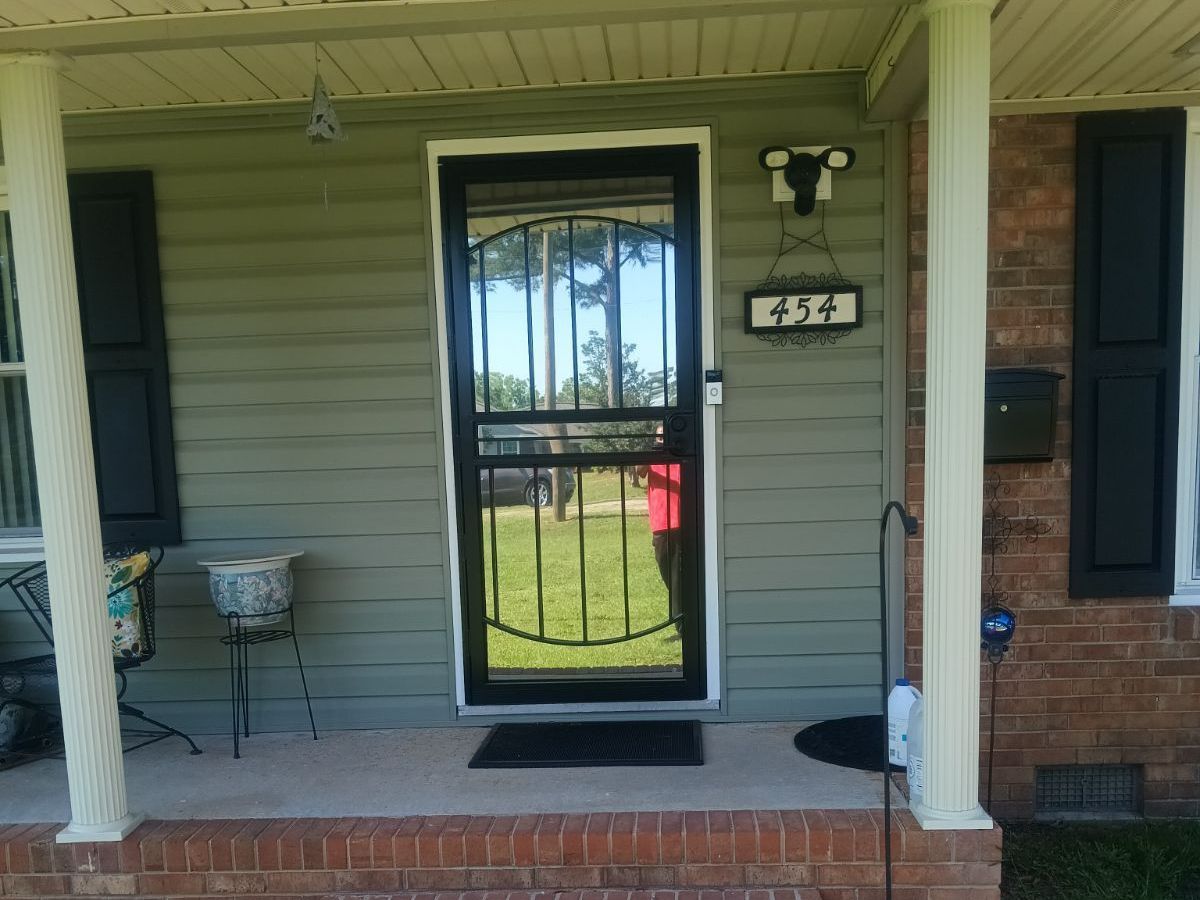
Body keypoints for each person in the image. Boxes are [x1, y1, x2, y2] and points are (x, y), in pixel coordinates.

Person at [637, 426, 683, 640]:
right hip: (660, 523)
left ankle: (682, 624)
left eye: (666, 435)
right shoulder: (652, 457)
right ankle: (682, 616)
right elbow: (639, 471)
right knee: (666, 569)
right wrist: (652, 452)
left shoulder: (681, 454)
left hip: (682, 522)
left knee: (679, 574)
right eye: (659, 436)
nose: (663, 439)